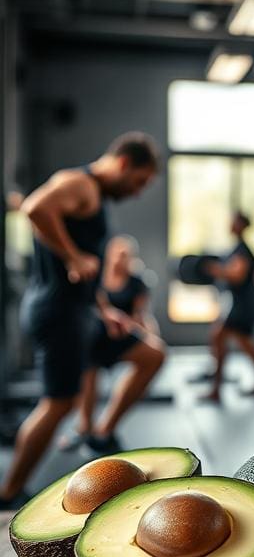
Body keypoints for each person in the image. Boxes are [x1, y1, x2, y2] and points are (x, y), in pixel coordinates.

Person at [0, 132, 160, 507]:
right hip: (58, 312)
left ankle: (101, 433)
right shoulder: (79, 183)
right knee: (59, 403)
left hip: (82, 312)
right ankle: (8, 492)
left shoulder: (96, 197)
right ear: (123, 163)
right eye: (138, 182)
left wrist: (106, 310)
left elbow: (89, 271)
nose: (137, 193)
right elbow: (35, 208)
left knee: (150, 355)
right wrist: (72, 256)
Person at [59, 235, 165, 454]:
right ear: (109, 255)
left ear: (130, 258)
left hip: (121, 336)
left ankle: (105, 428)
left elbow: (140, 316)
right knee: (88, 367)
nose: (119, 258)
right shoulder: (96, 277)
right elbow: (90, 307)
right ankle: (83, 428)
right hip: (94, 336)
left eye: (124, 255)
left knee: (157, 354)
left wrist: (151, 336)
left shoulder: (136, 283)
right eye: (116, 253)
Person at [200, 212, 254, 402]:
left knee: (221, 336)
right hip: (242, 302)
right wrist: (247, 282)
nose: (230, 223)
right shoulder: (241, 248)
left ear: (240, 225)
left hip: (244, 305)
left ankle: (216, 389)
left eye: (233, 221)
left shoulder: (241, 249)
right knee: (234, 340)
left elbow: (238, 275)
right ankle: (223, 387)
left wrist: (217, 270)